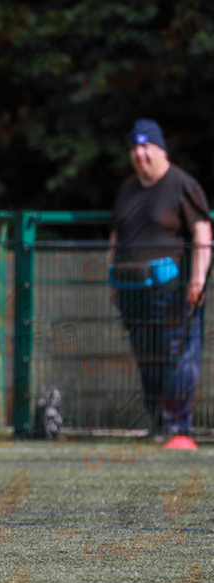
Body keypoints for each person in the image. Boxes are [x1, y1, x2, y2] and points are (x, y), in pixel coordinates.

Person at [110, 118, 211, 438]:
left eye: (145, 146)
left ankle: (177, 426)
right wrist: (110, 279)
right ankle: (158, 422)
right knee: (147, 359)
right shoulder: (127, 189)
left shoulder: (182, 184)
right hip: (132, 291)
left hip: (173, 291)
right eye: (134, 148)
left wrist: (197, 280)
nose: (139, 154)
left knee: (178, 357)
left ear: (160, 150)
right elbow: (116, 236)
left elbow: (202, 231)